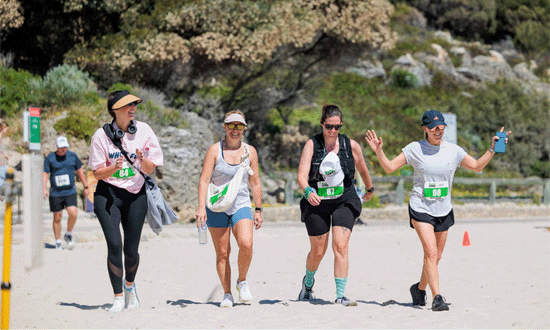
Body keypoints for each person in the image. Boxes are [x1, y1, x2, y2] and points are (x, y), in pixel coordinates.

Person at [365, 109, 511, 311]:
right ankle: (437, 298)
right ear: (425, 128)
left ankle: (419, 289)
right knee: (431, 252)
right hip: (421, 207)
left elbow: (477, 166)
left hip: (443, 209)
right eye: (434, 128)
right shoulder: (414, 149)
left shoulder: (454, 150)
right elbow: (389, 167)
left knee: (436, 257)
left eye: (441, 127)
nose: (438, 131)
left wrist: (492, 149)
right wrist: (378, 151)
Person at [88, 90, 163, 313]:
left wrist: (143, 161)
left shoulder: (144, 131)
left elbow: (152, 169)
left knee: (131, 251)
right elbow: (97, 174)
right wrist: (114, 168)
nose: (133, 109)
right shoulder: (100, 136)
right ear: (115, 109)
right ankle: (118, 297)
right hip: (107, 195)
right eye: (128, 105)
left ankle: (129, 287)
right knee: (114, 245)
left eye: (134, 105)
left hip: (135, 194)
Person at [297, 104, 374, 306]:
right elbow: (301, 176)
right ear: (322, 124)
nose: (333, 131)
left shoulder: (351, 146)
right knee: (318, 251)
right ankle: (308, 283)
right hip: (317, 201)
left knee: (340, 245)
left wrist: (369, 189)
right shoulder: (312, 145)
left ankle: (340, 295)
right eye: (329, 126)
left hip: (344, 199)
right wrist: (308, 191)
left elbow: (363, 169)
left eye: (337, 127)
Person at [195, 110, 263, 308]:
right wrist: (201, 207)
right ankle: (227, 294)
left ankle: (242, 280)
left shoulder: (250, 152)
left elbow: (255, 182)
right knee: (223, 252)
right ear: (224, 127)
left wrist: (258, 209)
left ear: (244, 128)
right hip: (216, 206)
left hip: (240, 203)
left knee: (246, 244)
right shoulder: (214, 151)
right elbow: (204, 179)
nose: (235, 130)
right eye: (231, 125)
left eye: (239, 126)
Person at [43, 135, 88, 250]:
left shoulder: (72, 156)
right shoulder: (50, 158)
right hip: (55, 192)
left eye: (65, 147)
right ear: (57, 147)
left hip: (70, 190)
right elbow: (45, 173)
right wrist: (44, 188)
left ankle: (68, 234)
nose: (63, 149)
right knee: (57, 217)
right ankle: (58, 241)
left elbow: (80, 171)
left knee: (73, 212)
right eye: (61, 147)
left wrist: (86, 186)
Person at [0, 122, 10, 199]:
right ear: (2, 128)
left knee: (2, 176)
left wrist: (4, 155)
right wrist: (3, 156)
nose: (7, 130)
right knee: (3, 175)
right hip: (1, 161)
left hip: (2, 160)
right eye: (6, 128)